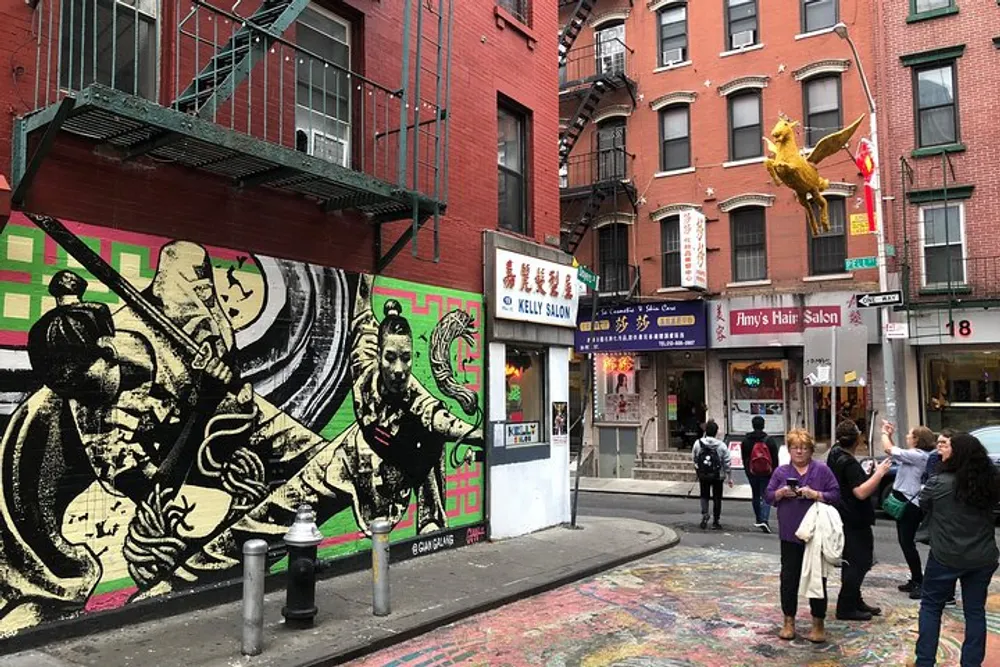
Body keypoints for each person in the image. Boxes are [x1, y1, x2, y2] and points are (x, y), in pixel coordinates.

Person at [908, 433, 1000, 667]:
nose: (942, 451)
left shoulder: (939, 482)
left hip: (946, 555)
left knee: (930, 606)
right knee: (975, 611)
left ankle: (925, 661)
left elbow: (923, 503)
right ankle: (971, 663)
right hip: (982, 556)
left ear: (957, 454)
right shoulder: (990, 481)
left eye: (948, 447)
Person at [765, 428, 841, 643]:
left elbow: (836, 495)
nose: (799, 452)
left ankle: (818, 622)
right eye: (795, 447)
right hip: (790, 535)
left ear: (811, 450)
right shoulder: (781, 472)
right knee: (788, 579)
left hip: (815, 536)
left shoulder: (822, 470)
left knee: (817, 579)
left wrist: (816, 494)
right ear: (789, 449)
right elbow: (768, 496)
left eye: (804, 448)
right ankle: (788, 620)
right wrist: (780, 493)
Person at [827, 419, 892, 621]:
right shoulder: (848, 462)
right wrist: (879, 473)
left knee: (853, 561)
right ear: (857, 439)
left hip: (844, 515)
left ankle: (854, 599)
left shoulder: (835, 453)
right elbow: (861, 492)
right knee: (859, 561)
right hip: (853, 517)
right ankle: (846, 605)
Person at [882, 421, 935, 599]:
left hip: (911, 503)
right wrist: (888, 437)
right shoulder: (914, 455)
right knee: (905, 542)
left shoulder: (918, 455)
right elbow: (892, 451)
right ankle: (916, 578)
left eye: (910, 435)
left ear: (917, 440)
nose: (907, 437)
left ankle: (919, 580)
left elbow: (891, 450)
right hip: (906, 500)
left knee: (907, 542)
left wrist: (883, 433)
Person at [741, 415, 780, 533]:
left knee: (755, 495)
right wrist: (774, 472)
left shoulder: (746, 441)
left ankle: (758, 518)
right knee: (766, 495)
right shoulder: (769, 440)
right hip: (767, 473)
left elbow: (744, 458)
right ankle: (764, 519)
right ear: (763, 425)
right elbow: (775, 458)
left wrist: (747, 471)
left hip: (752, 472)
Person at [692, 420, 733, 530]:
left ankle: (705, 514)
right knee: (717, 498)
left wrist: (698, 470)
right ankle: (716, 520)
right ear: (716, 432)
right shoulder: (722, 445)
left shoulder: (698, 443)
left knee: (704, 495)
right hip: (718, 475)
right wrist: (729, 476)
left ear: (706, 430)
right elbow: (727, 462)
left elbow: (694, 459)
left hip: (703, 474)